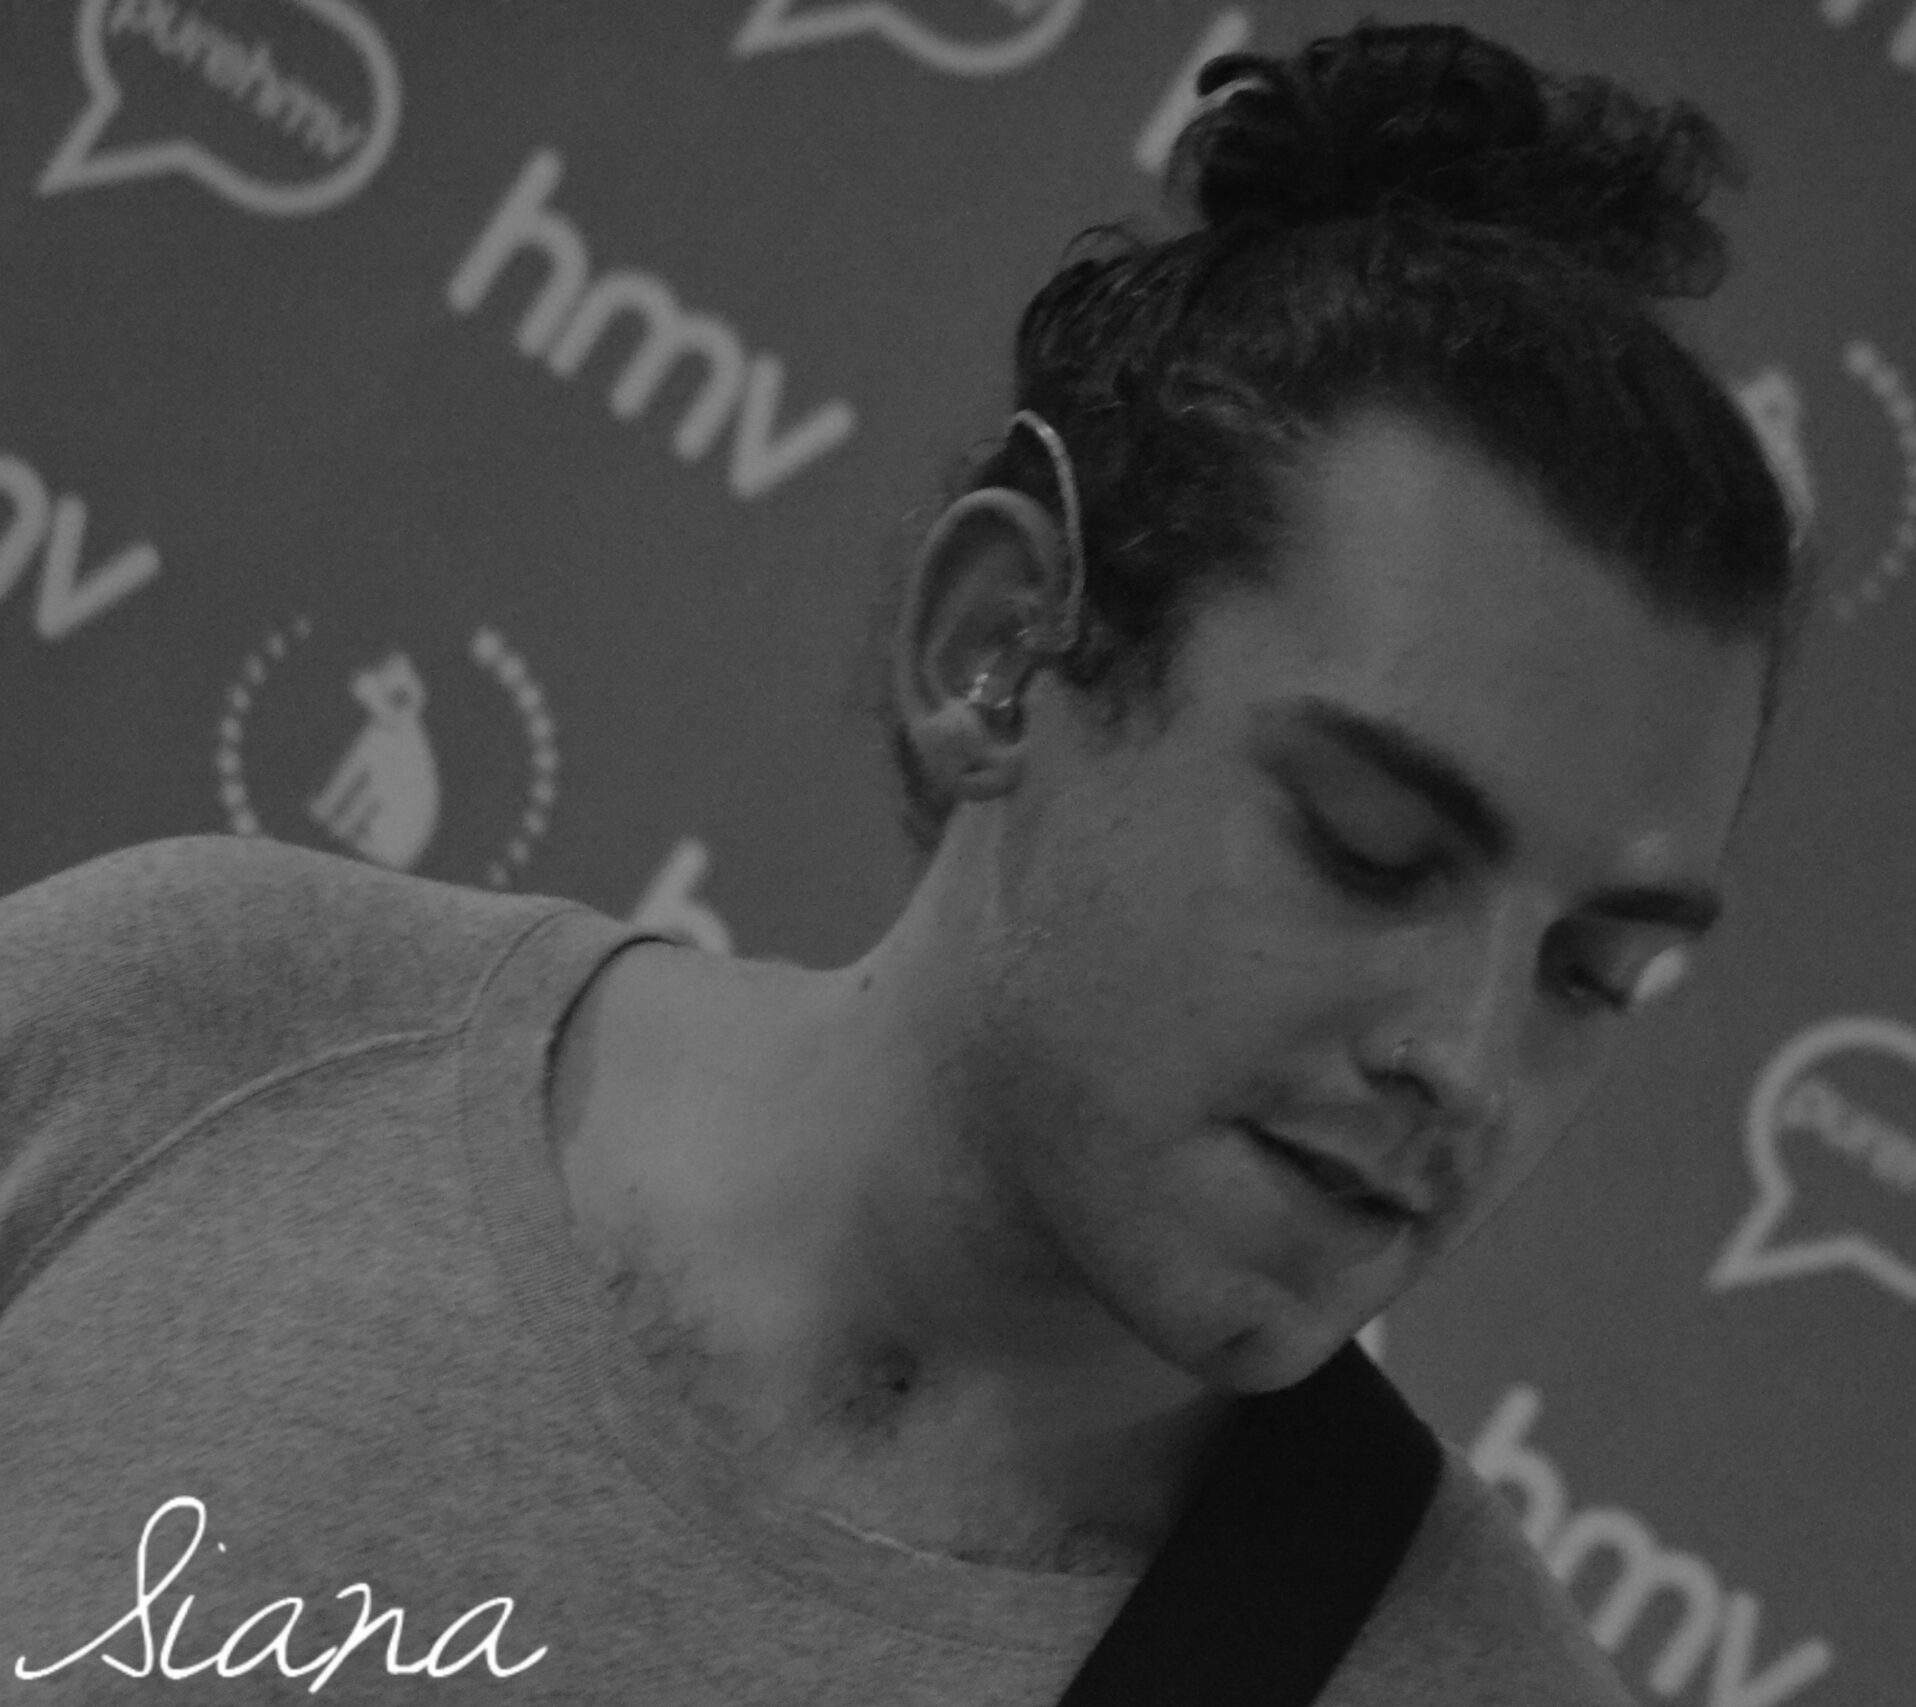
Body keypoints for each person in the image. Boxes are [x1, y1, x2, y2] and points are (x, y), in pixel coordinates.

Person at [0, 20, 1797, 1704]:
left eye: (1595, 974)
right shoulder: (184, 1034)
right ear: (996, 645)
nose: (1468, 1064)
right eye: (1369, 849)